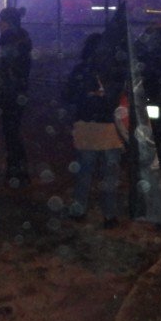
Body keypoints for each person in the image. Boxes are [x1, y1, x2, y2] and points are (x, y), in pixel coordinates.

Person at [63, 33, 125, 229]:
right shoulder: (114, 71)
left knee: (85, 172)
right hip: (108, 129)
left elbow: (68, 96)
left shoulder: (83, 70)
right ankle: (109, 215)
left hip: (89, 127)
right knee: (108, 175)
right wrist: (99, 97)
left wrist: (89, 97)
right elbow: (116, 101)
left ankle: (79, 210)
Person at [0, 6, 32, 186]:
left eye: (1, 20)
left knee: (11, 132)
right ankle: (17, 169)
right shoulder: (21, 38)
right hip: (18, 91)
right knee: (13, 131)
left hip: (11, 92)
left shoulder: (10, 39)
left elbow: (7, 68)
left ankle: (16, 171)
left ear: (8, 23)